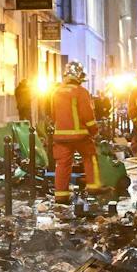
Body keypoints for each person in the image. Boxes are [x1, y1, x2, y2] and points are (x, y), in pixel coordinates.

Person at [49, 61, 100, 205]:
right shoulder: (81, 91)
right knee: (90, 157)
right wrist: (94, 130)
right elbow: (87, 115)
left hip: (60, 136)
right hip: (80, 135)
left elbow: (53, 114)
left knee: (62, 164)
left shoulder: (56, 92)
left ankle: (60, 196)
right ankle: (93, 187)